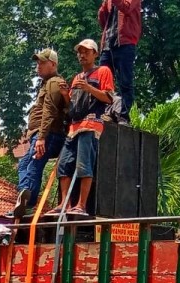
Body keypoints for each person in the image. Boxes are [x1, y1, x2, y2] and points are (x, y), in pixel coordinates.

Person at [49, 39, 115, 217]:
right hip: (74, 126)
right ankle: (65, 203)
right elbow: (73, 107)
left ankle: (81, 205)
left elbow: (109, 98)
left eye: (86, 51)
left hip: (92, 124)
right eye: (80, 52)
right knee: (63, 164)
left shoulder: (103, 71)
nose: (82, 55)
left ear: (95, 53)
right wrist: (65, 94)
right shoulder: (77, 77)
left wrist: (88, 87)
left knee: (84, 164)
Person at [13, 49, 69, 218]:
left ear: (53, 64)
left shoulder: (54, 82)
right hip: (43, 134)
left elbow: (50, 110)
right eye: (37, 63)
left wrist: (42, 137)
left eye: (42, 63)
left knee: (33, 166)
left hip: (48, 135)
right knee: (25, 165)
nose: (38, 66)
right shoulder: (47, 83)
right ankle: (24, 201)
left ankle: (28, 204)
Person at [98, 0, 141, 120]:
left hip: (125, 43)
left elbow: (126, 7)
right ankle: (104, 113)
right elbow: (102, 19)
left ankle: (123, 116)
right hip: (108, 44)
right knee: (103, 82)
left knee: (125, 83)